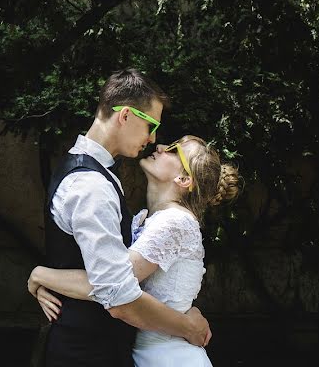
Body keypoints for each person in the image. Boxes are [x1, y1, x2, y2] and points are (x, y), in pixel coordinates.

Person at [34, 69, 212, 367]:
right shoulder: (91, 186)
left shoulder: (100, 175)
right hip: (85, 353)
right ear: (125, 116)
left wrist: (43, 276)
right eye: (150, 125)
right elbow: (117, 294)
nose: (154, 138)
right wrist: (187, 326)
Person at [29, 134, 241, 366]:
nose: (160, 146)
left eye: (172, 149)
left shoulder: (174, 223)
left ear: (183, 179)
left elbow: (111, 284)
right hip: (144, 351)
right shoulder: (151, 220)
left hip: (168, 356)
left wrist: (41, 275)